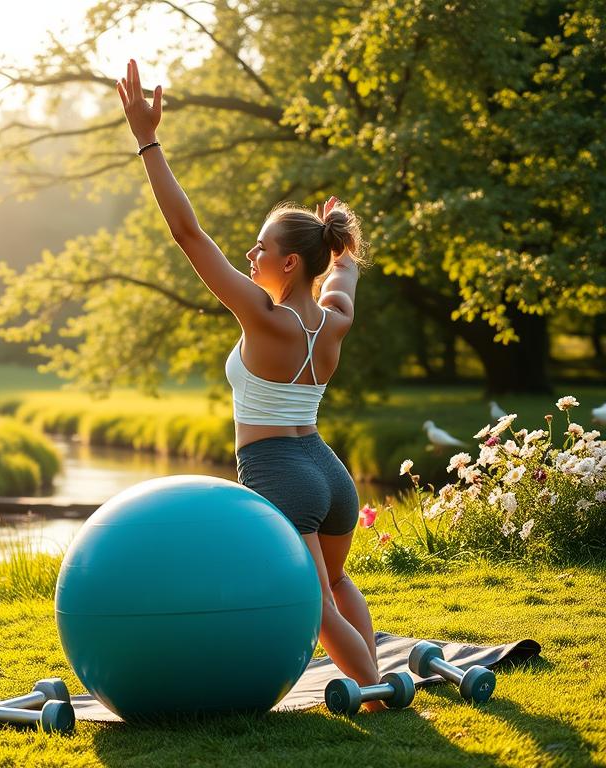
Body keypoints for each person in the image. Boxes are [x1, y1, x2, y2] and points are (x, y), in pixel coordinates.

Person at [116, 59, 382, 708]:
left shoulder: (262, 317)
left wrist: (147, 141)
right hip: (327, 469)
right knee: (339, 585)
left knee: (318, 604)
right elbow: (344, 272)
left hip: (278, 471)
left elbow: (187, 233)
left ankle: (379, 691)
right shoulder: (334, 319)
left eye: (260, 250)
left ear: (289, 263)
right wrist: (338, 237)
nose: (249, 257)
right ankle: (380, 689)